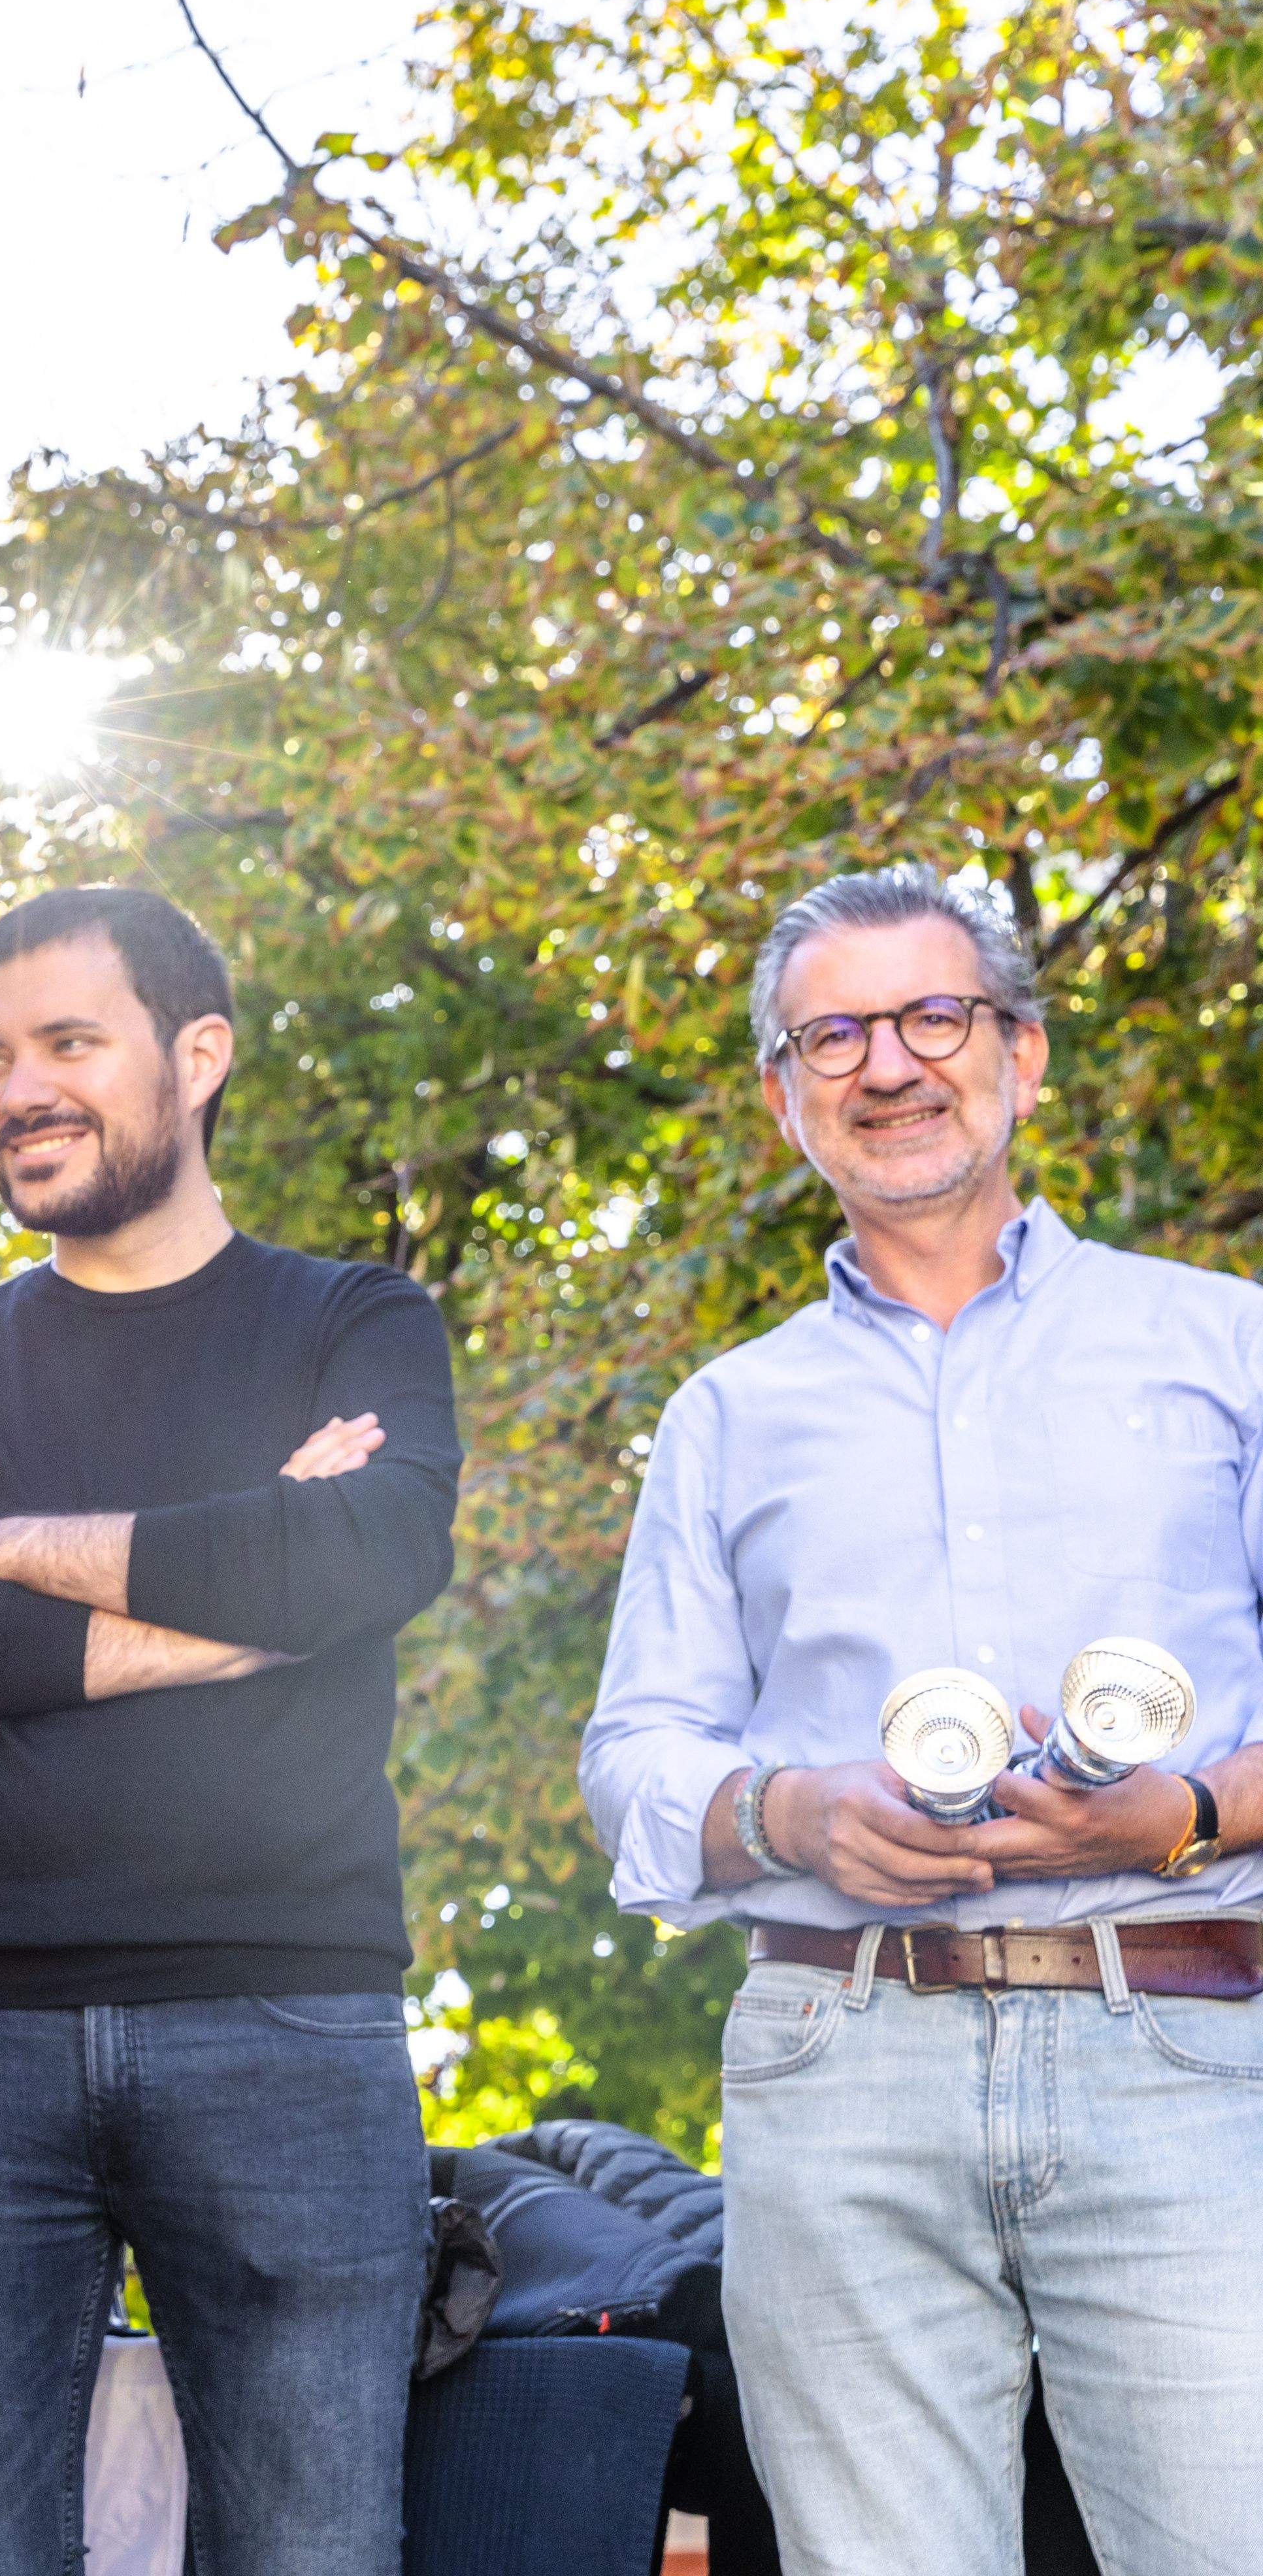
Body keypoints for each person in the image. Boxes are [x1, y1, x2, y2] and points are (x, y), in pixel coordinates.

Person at [580, 865, 1263, 2576]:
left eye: (931, 1017)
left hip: (1189, 2047)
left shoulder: (1228, 1346)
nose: (886, 1064)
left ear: (1021, 1056)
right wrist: (790, 1816)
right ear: (783, 1092)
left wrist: (1181, 1817)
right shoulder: (727, 1416)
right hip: (843, 2059)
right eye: (835, 1035)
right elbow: (637, 1761)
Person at [0, 884, 461, 2576]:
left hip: (285, 2021)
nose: (21, 1090)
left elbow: (372, 1552)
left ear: (199, 1053)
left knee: (315, 2552)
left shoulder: (353, 1324)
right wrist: (235, 1615)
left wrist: (17, 1556)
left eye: (69, 1043)